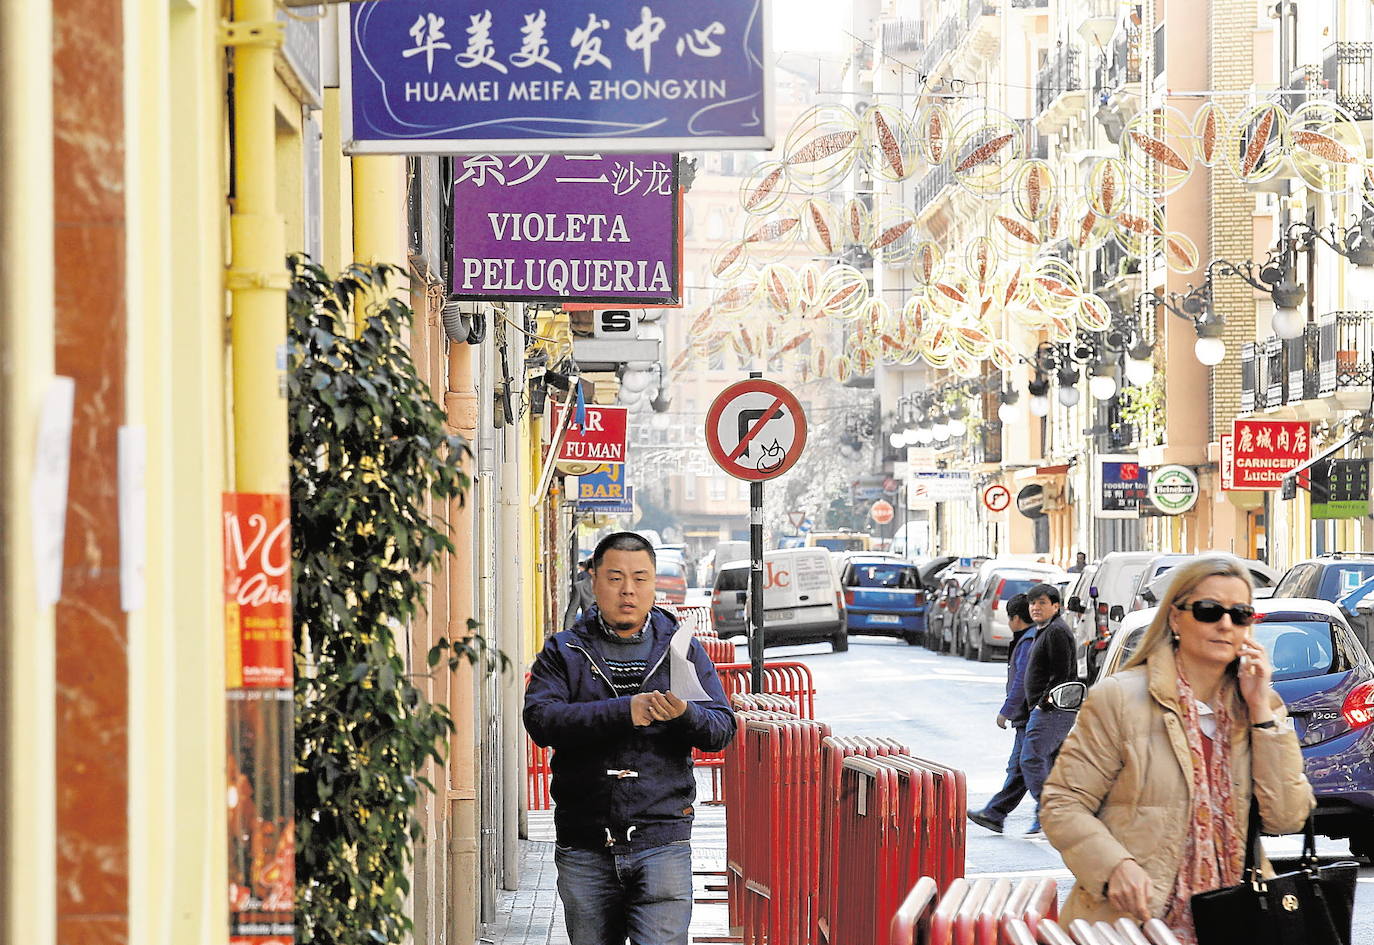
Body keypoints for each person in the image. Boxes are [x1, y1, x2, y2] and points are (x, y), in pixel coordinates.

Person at [1041, 558, 1311, 942]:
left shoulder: (1261, 707)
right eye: (1208, 610)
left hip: (1237, 920)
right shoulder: (1119, 699)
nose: (1225, 624)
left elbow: (1286, 817)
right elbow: (1062, 803)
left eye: (1240, 614)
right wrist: (1114, 866)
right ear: (1174, 618)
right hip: (1133, 924)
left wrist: (1260, 714)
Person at [524, 532, 737, 945]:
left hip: (662, 838)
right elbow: (541, 720)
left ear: (654, 582)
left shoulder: (681, 650)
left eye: (640, 578)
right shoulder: (564, 651)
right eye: (616, 577)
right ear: (593, 580)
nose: (628, 590)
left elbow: (721, 729)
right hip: (585, 841)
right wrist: (625, 712)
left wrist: (684, 714)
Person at [968, 593, 1037, 834]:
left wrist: (1006, 711)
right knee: (1021, 767)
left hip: (1030, 716)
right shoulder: (1028, 638)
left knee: (1029, 766)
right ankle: (995, 813)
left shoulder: (1028, 641)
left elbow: (1021, 681)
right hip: (1027, 716)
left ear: (1016, 619)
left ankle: (1042, 815)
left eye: (1010, 619)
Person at [1019, 582, 1078, 825]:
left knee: (1031, 758)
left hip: (1052, 710)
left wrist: (1044, 702)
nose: (1035, 607)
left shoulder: (1055, 632)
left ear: (1056, 606)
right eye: (1032, 603)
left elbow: (1062, 674)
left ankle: (1048, 811)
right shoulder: (1046, 629)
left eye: (1042, 603)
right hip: (1048, 709)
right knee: (1051, 764)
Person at [562, 558, 596, 630]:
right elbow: (571, 613)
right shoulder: (580, 587)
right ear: (591, 571)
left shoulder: (612, 585)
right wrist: (568, 635)